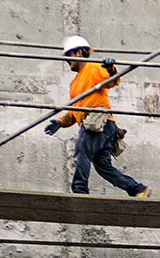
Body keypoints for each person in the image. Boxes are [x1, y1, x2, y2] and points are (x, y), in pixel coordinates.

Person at [44, 35, 151, 198]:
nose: (67, 60)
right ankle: (138, 189)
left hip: (97, 121)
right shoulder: (74, 85)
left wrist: (110, 68)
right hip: (102, 125)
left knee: (82, 151)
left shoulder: (93, 67)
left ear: (79, 52)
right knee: (103, 167)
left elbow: (111, 81)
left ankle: (80, 191)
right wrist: (59, 122)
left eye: (69, 56)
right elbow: (74, 113)